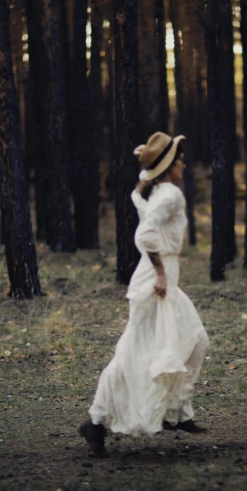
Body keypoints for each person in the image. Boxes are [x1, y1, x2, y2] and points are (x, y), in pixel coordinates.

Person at [78, 132, 210, 458]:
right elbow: (145, 234)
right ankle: (96, 421)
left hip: (161, 278)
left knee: (190, 340)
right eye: (177, 159)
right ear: (168, 167)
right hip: (158, 279)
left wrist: (145, 162)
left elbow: (140, 193)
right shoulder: (170, 196)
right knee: (137, 351)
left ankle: (177, 413)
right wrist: (162, 272)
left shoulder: (150, 190)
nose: (182, 163)